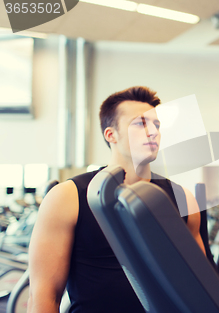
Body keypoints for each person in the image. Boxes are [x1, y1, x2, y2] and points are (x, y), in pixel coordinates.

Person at [28, 86, 206, 313]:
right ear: (111, 135)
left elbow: (200, 288)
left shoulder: (183, 199)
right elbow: (44, 297)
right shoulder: (67, 197)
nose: (153, 132)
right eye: (140, 123)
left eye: (157, 125)